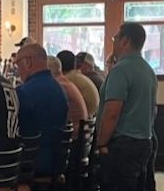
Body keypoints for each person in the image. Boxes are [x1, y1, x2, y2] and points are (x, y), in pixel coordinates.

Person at [89, 23, 157, 191]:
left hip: (122, 146)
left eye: (116, 37)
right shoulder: (147, 70)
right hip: (143, 143)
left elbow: (112, 112)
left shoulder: (121, 70)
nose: (114, 41)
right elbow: (152, 111)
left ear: (126, 40)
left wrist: (101, 143)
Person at [15, 43, 68, 175]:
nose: (17, 71)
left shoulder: (25, 92)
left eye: (17, 64)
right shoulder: (58, 88)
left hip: (35, 163)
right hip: (56, 161)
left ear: (28, 62)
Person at [47, 55, 88, 139]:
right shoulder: (65, 82)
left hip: (71, 138)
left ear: (48, 71)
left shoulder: (59, 86)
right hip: (78, 135)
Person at [57, 50, 100, 117]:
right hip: (92, 117)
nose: (79, 66)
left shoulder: (67, 80)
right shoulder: (76, 76)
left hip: (86, 118)